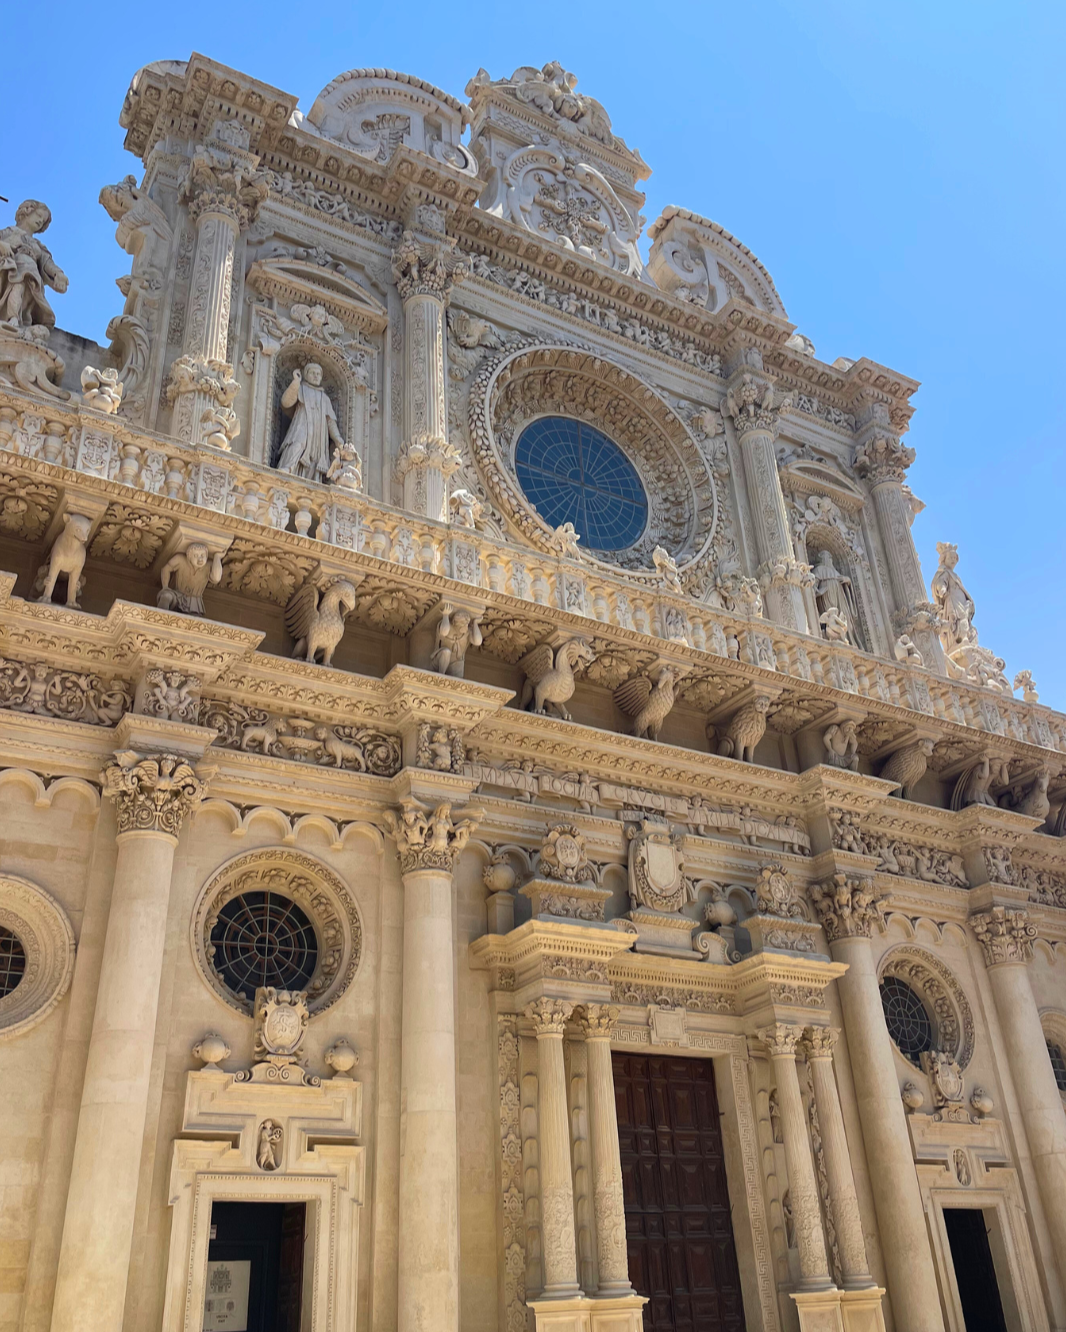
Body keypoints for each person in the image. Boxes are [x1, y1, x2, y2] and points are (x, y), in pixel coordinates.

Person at [0, 200, 68, 334]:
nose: (40, 221)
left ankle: (17, 319)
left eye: (43, 221)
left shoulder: (37, 245)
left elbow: (47, 262)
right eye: (38, 215)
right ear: (27, 211)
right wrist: (2, 246)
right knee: (18, 284)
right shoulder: (10, 231)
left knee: (22, 289)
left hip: (32, 279)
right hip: (12, 269)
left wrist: (58, 274)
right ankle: (12, 318)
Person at [276, 362, 344, 481]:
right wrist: (295, 383)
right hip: (302, 427)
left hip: (318, 436)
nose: (316, 376)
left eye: (318, 374)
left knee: (315, 458)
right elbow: (286, 403)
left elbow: (330, 422)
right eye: (313, 373)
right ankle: (289, 467)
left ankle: (312, 479)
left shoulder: (325, 398)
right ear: (306, 375)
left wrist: (337, 438)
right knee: (297, 444)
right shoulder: (301, 388)